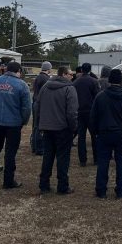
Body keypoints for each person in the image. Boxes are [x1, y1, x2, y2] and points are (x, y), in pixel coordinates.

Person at [0, 61, 31, 189]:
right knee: (10, 153)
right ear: (18, 71)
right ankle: (8, 181)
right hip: (13, 123)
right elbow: (26, 108)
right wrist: (23, 121)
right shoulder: (22, 85)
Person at [90, 68, 122, 199]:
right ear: (121, 80)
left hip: (104, 133)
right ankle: (121, 191)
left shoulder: (101, 96)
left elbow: (93, 117)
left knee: (103, 162)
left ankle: (101, 190)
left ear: (109, 80)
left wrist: (95, 132)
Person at [37, 66, 78, 195]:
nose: (72, 77)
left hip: (47, 127)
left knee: (47, 156)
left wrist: (40, 123)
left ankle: (44, 184)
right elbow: (72, 112)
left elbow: (38, 105)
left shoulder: (45, 87)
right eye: (71, 74)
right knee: (63, 158)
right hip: (63, 128)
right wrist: (74, 128)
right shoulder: (69, 89)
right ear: (64, 74)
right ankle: (63, 186)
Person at [73, 62, 101, 166]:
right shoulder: (94, 81)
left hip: (79, 112)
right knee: (94, 136)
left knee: (81, 137)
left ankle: (82, 160)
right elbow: (97, 96)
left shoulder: (76, 82)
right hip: (91, 112)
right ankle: (96, 159)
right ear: (90, 70)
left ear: (81, 70)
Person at [30, 61, 52, 155]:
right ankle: (39, 148)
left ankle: (34, 146)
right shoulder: (46, 79)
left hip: (35, 103)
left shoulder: (37, 77)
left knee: (35, 126)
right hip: (41, 104)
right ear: (48, 68)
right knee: (40, 127)